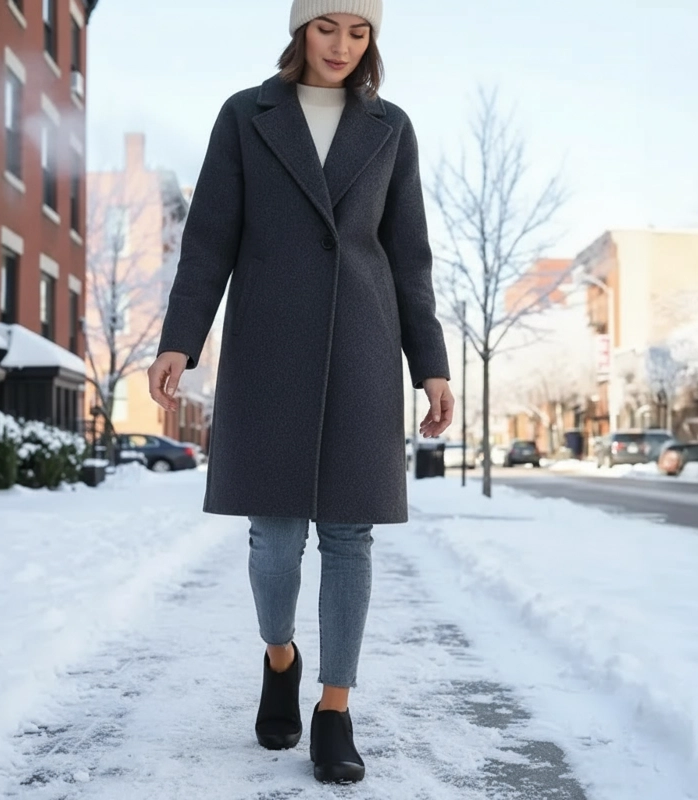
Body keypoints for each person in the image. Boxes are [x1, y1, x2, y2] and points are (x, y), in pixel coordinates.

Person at [148, 0, 453, 784]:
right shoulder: (245, 117)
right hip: (269, 347)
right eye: (326, 26)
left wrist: (431, 364)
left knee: (350, 537)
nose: (342, 45)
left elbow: (409, 256)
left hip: (362, 347)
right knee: (275, 538)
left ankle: (334, 710)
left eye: (359, 31)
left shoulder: (391, 127)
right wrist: (181, 339)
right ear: (298, 30)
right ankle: (280, 658)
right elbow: (209, 238)